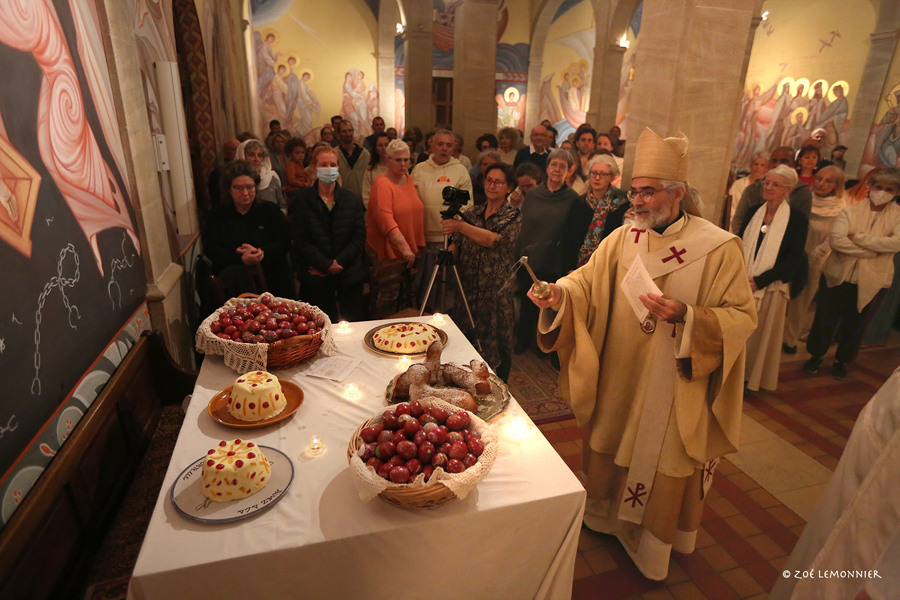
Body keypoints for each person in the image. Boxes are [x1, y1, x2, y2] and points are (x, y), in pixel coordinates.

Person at [527, 128, 756, 581]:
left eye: (648, 192)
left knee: (665, 454)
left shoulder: (719, 247)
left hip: (676, 380)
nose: (638, 202)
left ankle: (652, 544)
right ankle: (606, 519)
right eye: (634, 192)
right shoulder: (623, 237)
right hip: (622, 371)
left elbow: (741, 316)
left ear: (678, 193)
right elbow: (586, 280)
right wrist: (558, 295)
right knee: (613, 432)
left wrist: (689, 316)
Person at [803, 169, 900, 380]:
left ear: (896, 192)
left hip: (873, 279)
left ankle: (842, 361)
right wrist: (872, 251)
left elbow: (896, 243)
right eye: (879, 187)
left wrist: (859, 238)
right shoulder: (850, 211)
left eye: (889, 189)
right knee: (824, 319)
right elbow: (837, 240)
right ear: (870, 187)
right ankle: (816, 356)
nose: (882, 192)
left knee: (856, 324)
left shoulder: (898, 216)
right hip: (837, 274)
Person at [441, 162, 521, 380]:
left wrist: (458, 225)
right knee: (465, 341)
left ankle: (499, 387)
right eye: (488, 180)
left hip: (495, 292)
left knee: (495, 342)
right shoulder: (472, 212)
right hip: (467, 290)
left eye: (498, 182)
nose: (492, 185)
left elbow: (493, 240)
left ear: (509, 187)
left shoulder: (513, 216)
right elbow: (457, 242)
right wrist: (449, 248)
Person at [739, 165, 809, 391]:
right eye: (766, 183)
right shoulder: (754, 212)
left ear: (788, 190)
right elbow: (739, 244)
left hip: (771, 287)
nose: (768, 188)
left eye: (775, 184)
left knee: (759, 336)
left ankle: (749, 378)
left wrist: (761, 280)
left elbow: (793, 258)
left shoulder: (796, 220)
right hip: (742, 284)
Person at [514, 148, 591, 354]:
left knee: (549, 307)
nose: (557, 169)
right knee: (527, 301)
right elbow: (524, 227)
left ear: (569, 171)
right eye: (554, 165)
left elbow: (573, 232)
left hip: (555, 260)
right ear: (547, 168)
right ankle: (523, 339)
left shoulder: (574, 198)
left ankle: (544, 344)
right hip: (530, 259)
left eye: (563, 166)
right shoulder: (532, 195)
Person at [290, 145, 367, 322]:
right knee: (319, 326)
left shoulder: (351, 199)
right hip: (316, 273)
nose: (329, 169)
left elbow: (359, 236)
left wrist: (338, 263)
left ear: (338, 167)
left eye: (333, 164)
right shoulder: (302, 200)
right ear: (315, 168)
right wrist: (325, 265)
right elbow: (300, 240)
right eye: (324, 164)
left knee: (353, 324)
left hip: (348, 272)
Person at [202, 160, 293, 299]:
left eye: (250, 187)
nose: (245, 193)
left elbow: (284, 242)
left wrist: (260, 252)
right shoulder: (216, 214)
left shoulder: (270, 210)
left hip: (271, 277)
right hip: (232, 282)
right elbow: (211, 249)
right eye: (238, 188)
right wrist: (241, 258)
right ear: (228, 189)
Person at [783, 165, 846, 354]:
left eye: (828, 181)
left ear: (836, 185)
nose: (821, 183)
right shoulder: (803, 198)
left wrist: (811, 256)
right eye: (819, 178)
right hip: (791, 254)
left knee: (801, 300)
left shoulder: (840, 208)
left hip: (815, 259)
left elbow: (833, 238)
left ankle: (789, 338)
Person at [366, 139, 426, 268]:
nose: (403, 164)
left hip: (410, 249)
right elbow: (385, 219)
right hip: (391, 252)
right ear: (387, 161)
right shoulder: (382, 183)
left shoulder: (408, 178)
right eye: (398, 160)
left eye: (406, 160)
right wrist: (403, 247)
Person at [410, 129, 473, 247]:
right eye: (440, 144)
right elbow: (410, 201)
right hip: (421, 235)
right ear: (432, 146)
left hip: (449, 236)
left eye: (449, 145)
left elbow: (466, 206)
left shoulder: (460, 171)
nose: (444, 148)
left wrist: (457, 238)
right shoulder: (419, 169)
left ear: (453, 149)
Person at [730, 146, 813, 234]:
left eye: (784, 161)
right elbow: (738, 221)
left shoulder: (803, 193)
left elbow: (800, 228)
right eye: (774, 160)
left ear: (794, 164)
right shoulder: (753, 189)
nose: (777, 165)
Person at [576, 154, 629, 267]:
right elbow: (570, 237)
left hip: (608, 265)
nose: (597, 178)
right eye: (594, 173)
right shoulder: (580, 202)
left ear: (612, 177)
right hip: (579, 266)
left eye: (603, 174)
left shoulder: (622, 205)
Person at [235, 139, 286, 211]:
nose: (256, 159)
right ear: (242, 156)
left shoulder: (271, 177)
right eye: (251, 155)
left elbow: (282, 205)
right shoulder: (234, 179)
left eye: (260, 155)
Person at [728, 152, 767, 226]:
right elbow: (732, 206)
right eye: (756, 164)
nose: (758, 167)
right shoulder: (739, 184)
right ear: (751, 166)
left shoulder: (767, 186)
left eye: (762, 165)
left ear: (766, 168)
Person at [336, 120, 370, 198]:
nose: (348, 134)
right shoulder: (335, 154)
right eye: (344, 131)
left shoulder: (365, 155)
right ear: (338, 133)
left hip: (361, 201)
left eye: (350, 130)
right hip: (340, 200)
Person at [207, 138, 240, 210]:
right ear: (224, 152)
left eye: (239, 149)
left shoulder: (245, 169)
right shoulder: (218, 173)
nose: (237, 152)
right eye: (234, 149)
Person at [361, 132, 390, 208]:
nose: (384, 148)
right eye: (380, 145)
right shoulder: (370, 170)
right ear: (375, 148)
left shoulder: (397, 167)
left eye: (386, 145)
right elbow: (366, 197)